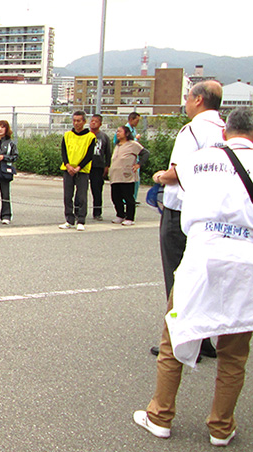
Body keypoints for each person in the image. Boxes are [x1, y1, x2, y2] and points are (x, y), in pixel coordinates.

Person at [132, 107, 253, 448]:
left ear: (227, 132)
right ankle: (220, 426)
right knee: (234, 352)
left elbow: (173, 176)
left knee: (173, 339)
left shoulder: (203, 157)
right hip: (245, 258)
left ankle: (160, 416)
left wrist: (158, 178)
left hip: (202, 253)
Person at [150, 81, 225, 360]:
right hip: (214, 211)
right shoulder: (225, 130)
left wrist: (159, 177)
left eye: (188, 96)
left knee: (177, 275)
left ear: (199, 100)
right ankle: (204, 338)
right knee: (204, 275)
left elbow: (177, 172)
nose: (185, 101)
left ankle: (180, 340)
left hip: (182, 210)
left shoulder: (192, 129)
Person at [58, 111, 96, 231]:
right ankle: (69, 219)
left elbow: (89, 155)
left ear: (84, 122)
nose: (76, 123)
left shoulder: (90, 137)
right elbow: (64, 152)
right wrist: (68, 165)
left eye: (79, 120)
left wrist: (79, 167)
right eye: (74, 120)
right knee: (67, 195)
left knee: (81, 196)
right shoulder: (67, 135)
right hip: (68, 169)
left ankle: (81, 219)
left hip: (82, 170)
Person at [109, 126, 148, 226]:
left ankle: (130, 217)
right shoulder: (117, 145)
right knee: (115, 197)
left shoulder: (133, 144)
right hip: (115, 176)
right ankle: (120, 215)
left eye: (120, 132)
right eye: (117, 131)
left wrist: (138, 164)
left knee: (128, 197)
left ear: (126, 134)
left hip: (126, 176)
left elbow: (145, 153)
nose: (118, 133)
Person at [89, 114, 112, 221]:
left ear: (100, 124)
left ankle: (97, 212)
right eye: (92, 121)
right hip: (85, 166)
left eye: (96, 121)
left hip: (98, 167)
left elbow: (108, 153)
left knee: (97, 190)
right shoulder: (86, 135)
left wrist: (107, 166)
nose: (93, 123)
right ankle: (79, 211)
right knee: (81, 190)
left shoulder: (103, 137)